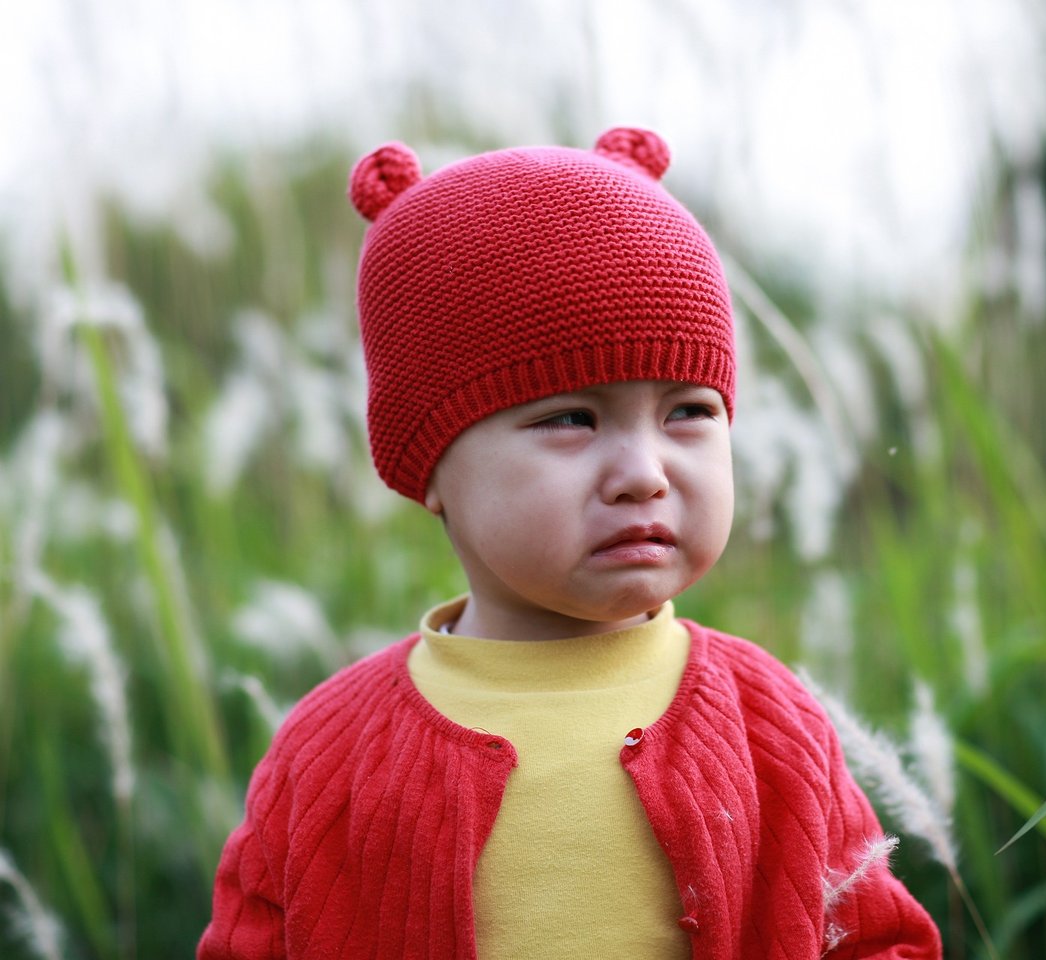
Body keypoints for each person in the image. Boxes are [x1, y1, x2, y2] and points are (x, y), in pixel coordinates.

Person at [198, 127, 941, 959]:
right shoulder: (330, 751)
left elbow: (874, 938)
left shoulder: (769, 720)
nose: (644, 472)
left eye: (688, 412)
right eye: (570, 420)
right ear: (432, 465)